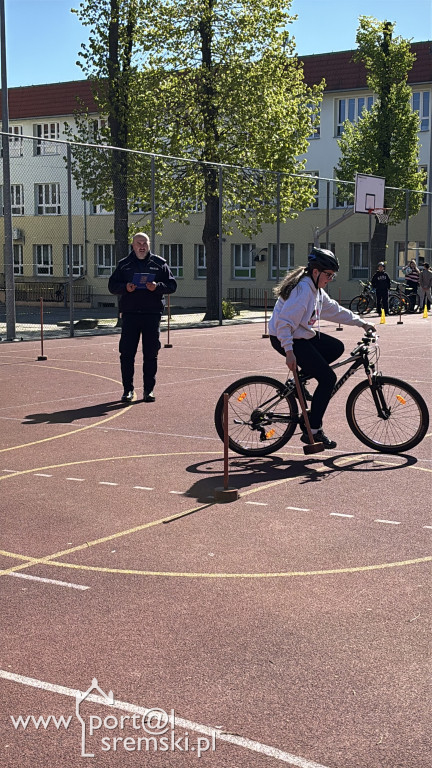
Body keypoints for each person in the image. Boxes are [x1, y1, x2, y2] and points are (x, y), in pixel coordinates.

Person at [268, 247, 375, 449]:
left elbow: (334, 310)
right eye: (328, 275)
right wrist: (289, 353)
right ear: (315, 272)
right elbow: (284, 324)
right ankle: (313, 430)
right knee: (328, 379)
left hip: (301, 334)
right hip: (286, 337)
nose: (330, 279)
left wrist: (362, 323)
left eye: (332, 275)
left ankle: (303, 376)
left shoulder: (315, 290)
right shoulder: (302, 290)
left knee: (336, 347)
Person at [108, 232, 177, 403]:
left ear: (149, 245)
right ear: (132, 245)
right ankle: (128, 390)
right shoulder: (124, 265)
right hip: (130, 315)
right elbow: (112, 286)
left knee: (151, 354)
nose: (142, 246)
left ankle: (149, 390)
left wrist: (157, 287)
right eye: (138, 243)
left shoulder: (159, 264)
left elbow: (172, 285)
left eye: (145, 243)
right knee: (126, 354)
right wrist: (126, 287)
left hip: (151, 315)